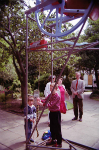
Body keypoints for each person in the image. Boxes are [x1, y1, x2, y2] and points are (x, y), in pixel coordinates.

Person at [37, 83, 62, 147]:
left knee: (57, 128)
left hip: (56, 113)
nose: (50, 90)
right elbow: (45, 100)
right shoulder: (50, 95)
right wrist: (40, 100)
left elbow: (50, 105)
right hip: (52, 113)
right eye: (50, 88)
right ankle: (53, 140)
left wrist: (41, 104)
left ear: (55, 89)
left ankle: (59, 143)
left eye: (52, 88)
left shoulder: (57, 97)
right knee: (52, 127)